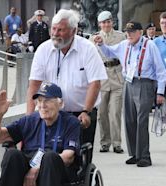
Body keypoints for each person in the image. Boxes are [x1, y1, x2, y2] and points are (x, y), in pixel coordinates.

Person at [0, 82, 81, 186]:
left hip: (57, 169)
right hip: (28, 163)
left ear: (60, 104)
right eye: (39, 101)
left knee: (50, 157)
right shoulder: (30, 120)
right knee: (12, 155)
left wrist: (37, 168)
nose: (42, 105)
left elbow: (69, 156)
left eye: (47, 101)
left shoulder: (70, 123)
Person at [27, 9, 107, 151]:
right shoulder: (43, 50)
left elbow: (95, 83)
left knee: (77, 158)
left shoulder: (88, 49)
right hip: (51, 114)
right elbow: (34, 85)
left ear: (73, 31)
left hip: (80, 115)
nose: (55, 34)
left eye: (60, 30)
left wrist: (86, 111)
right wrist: (29, 119)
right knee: (49, 156)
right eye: (54, 29)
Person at [93, 21, 166, 167]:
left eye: (132, 32)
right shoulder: (124, 44)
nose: (129, 34)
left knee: (142, 120)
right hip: (128, 83)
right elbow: (109, 52)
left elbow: (161, 71)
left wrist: (160, 92)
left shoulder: (149, 46)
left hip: (144, 83)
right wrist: (101, 44)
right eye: (127, 32)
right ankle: (134, 154)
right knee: (129, 120)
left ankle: (144, 156)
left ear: (140, 32)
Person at [89, 11, 125, 153]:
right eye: (103, 22)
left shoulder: (121, 36)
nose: (106, 25)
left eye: (108, 22)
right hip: (102, 78)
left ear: (112, 22)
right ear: (99, 24)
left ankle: (117, 143)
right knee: (102, 113)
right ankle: (105, 142)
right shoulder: (93, 39)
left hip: (117, 76)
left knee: (115, 112)